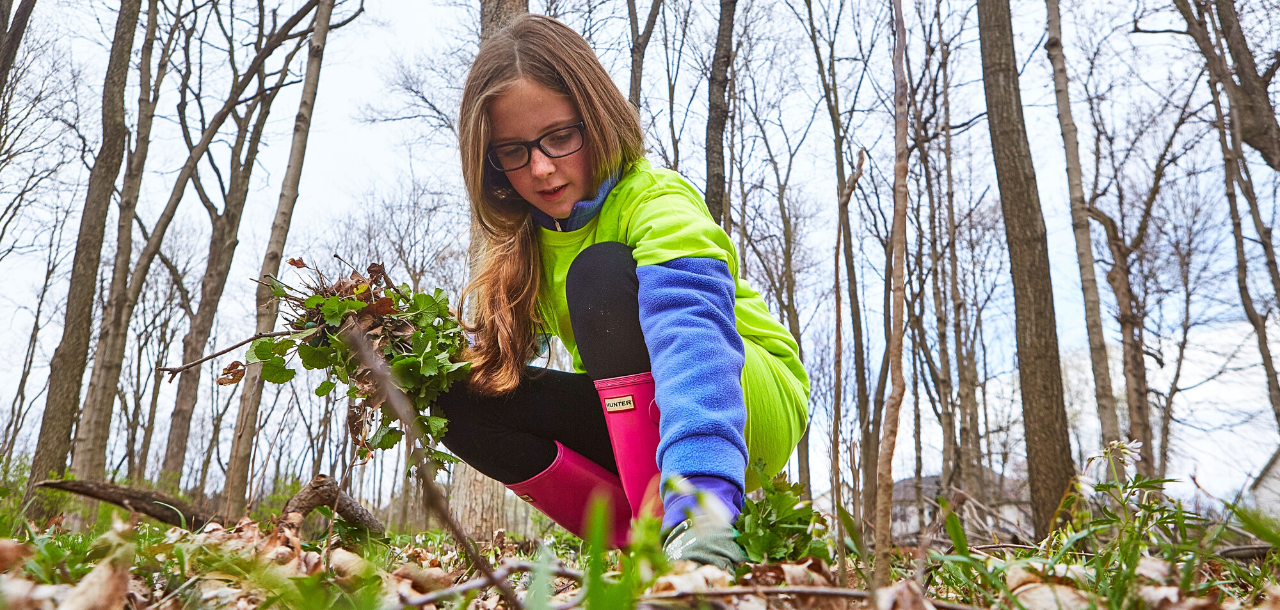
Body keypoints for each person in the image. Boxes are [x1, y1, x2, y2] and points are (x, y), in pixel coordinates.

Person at [435, 14, 809, 571]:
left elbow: (693, 337)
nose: (540, 168)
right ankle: (643, 543)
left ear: (598, 117)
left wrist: (700, 501)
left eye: (560, 137)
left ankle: (695, 525)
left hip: (741, 395)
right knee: (460, 399)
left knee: (601, 275)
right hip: (635, 414)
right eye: (513, 150)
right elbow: (504, 370)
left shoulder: (654, 201)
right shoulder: (525, 243)